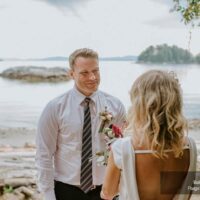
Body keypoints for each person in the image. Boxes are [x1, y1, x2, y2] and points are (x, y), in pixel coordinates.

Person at [35, 48, 126, 200]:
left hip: (106, 191)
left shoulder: (115, 106)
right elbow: (43, 154)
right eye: (84, 73)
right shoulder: (55, 107)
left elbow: (119, 151)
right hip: (66, 191)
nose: (92, 77)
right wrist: (49, 195)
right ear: (71, 74)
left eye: (95, 71)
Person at [101, 70, 197, 200]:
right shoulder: (190, 146)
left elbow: (107, 194)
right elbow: (188, 188)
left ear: (139, 106)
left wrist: (125, 182)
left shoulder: (122, 148)